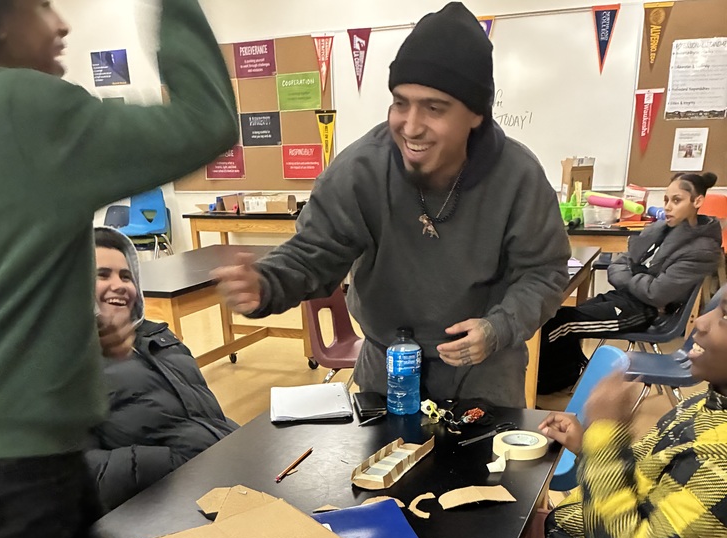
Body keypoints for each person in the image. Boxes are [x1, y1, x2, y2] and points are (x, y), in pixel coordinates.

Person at [0, 0, 239, 538]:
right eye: (40, 5)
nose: (61, 24)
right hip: (20, 453)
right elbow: (205, 122)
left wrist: (64, 330)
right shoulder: (16, 105)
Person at [213, 3, 570, 408]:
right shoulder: (360, 169)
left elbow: (544, 272)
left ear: (475, 114)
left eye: (434, 108)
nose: (411, 126)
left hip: (485, 371)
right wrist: (266, 283)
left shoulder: (518, 176)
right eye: (401, 103)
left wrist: (499, 328)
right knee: (374, 471)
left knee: (483, 472)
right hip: (387, 365)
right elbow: (314, 254)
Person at [477, 285, 727, 538]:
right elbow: (649, 479)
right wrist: (590, 445)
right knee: (494, 532)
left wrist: (607, 434)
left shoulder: (720, 462)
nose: (700, 324)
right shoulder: (711, 407)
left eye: (724, 318)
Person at [88, 228, 237, 511]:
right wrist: (175, 461)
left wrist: (233, 441)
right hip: (161, 509)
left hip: (217, 481)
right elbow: (80, 475)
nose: (119, 285)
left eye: (126, 275)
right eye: (102, 275)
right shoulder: (64, 367)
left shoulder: (158, 338)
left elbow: (199, 417)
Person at [538, 171, 722, 393]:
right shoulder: (661, 231)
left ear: (697, 201)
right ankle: (560, 378)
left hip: (646, 311)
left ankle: (544, 384)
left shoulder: (702, 248)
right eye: (666, 200)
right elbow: (618, 266)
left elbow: (656, 294)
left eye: (677, 200)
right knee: (554, 315)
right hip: (627, 299)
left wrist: (631, 273)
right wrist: (636, 275)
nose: (668, 207)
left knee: (559, 323)